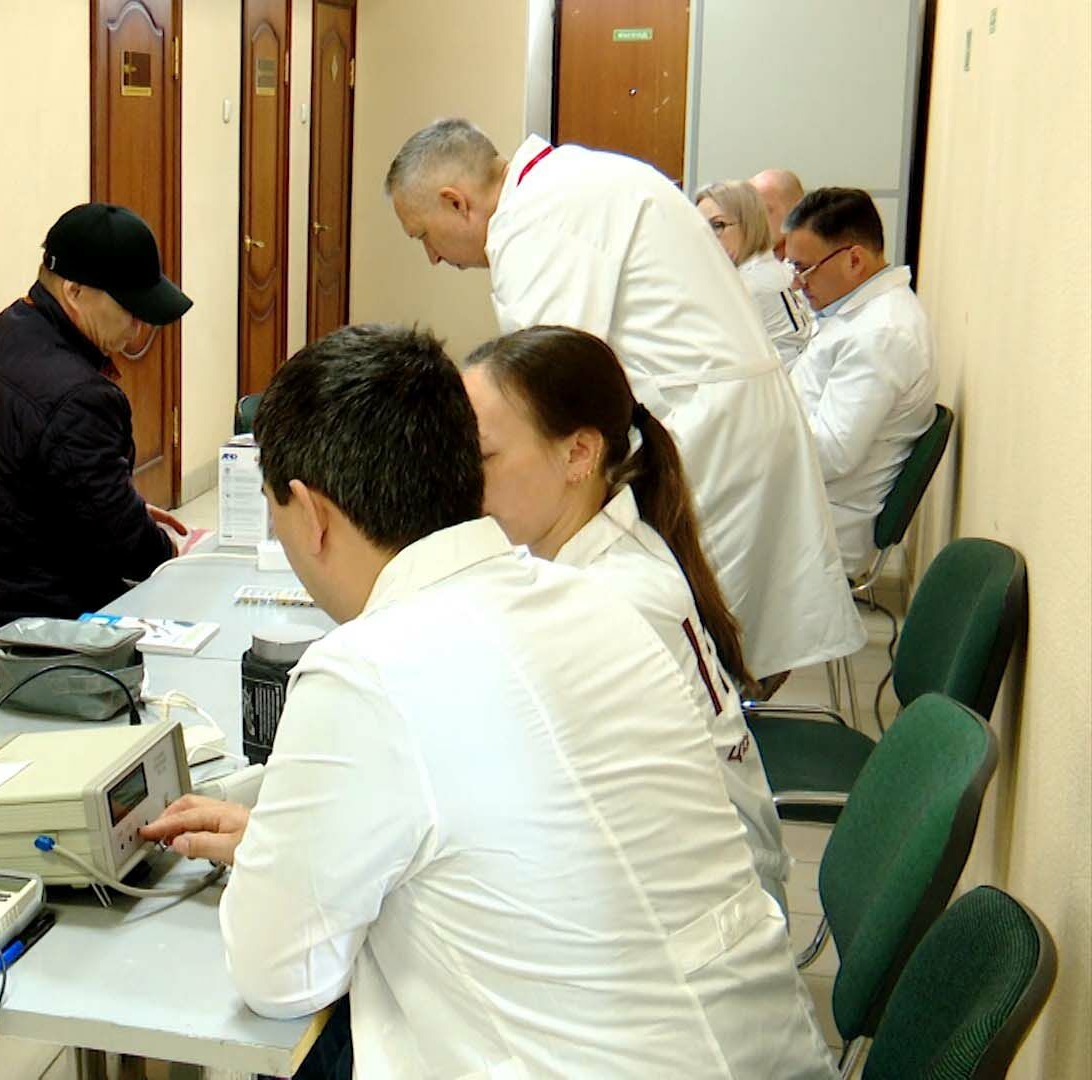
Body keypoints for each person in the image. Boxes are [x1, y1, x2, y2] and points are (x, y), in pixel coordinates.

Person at [141, 323, 831, 1079]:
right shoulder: (594, 598)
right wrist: (297, 841)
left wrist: (287, 861)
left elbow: (278, 977)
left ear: (310, 514)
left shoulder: (363, 673)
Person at [383, 117, 863, 684]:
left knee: (694, 653)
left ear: (455, 202)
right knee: (711, 638)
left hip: (709, 432)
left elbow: (545, 390)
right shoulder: (569, 179)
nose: (433, 259)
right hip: (724, 416)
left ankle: (712, 760)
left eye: (423, 236)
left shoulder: (539, 221)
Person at [461, 324, 791, 911]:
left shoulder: (613, 600)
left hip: (708, 908)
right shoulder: (600, 543)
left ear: (579, 454)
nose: (461, 480)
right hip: (688, 875)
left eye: (482, 457)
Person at [0, 202, 198, 688]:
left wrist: (123, 507)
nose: (140, 331)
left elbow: (53, 491)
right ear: (73, 291)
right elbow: (129, 551)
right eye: (130, 311)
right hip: (24, 644)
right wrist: (176, 554)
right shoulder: (78, 395)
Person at [784, 187, 938, 576]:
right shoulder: (862, 315)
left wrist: (755, 427)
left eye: (804, 268)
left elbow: (832, 455)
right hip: (808, 497)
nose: (797, 284)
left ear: (854, 260)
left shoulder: (881, 334)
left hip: (825, 522)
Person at [696, 179, 814, 368]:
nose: (706, 236)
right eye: (700, 227)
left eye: (717, 225)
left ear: (748, 225)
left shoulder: (753, 282)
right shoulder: (764, 269)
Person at [751, 168, 805, 261]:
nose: (752, 219)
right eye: (749, 211)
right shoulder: (737, 264)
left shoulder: (818, 263)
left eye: (764, 210)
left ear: (797, 211)